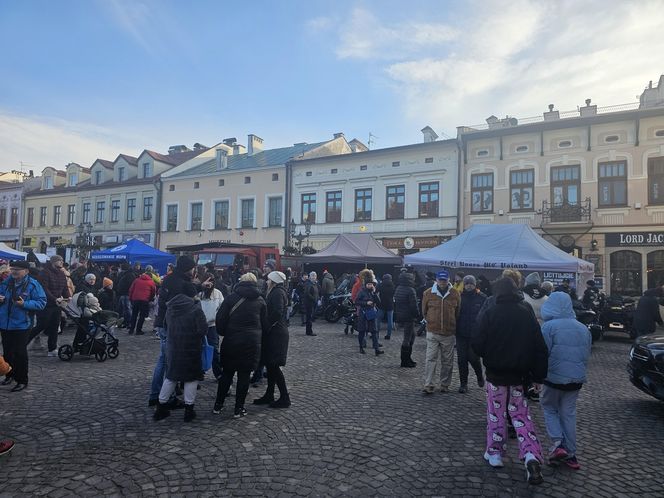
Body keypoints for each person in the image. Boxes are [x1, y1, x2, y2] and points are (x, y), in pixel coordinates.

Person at [472, 277, 548, 485]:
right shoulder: (526, 312)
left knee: (496, 414)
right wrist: (538, 376)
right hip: (519, 375)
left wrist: (488, 354)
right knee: (521, 415)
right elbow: (538, 345)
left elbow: (477, 342)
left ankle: (495, 453)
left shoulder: (490, 311)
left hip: (496, 374)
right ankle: (531, 455)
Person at [539, 292, 591, 471]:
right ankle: (571, 454)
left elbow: (542, 353)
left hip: (553, 378)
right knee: (568, 414)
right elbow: (586, 354)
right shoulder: (583, 328)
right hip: (576, 379)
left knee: (549, 408)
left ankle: (557, 444)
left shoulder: (548, 327)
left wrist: (537, 377)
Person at [213, 272, 268, 418]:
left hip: (232, 340)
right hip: (251, 342)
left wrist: (224, 332)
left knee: (227, 373)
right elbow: (265, 324)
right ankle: (239, 408)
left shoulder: (231, 298)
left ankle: (218, 405)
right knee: (244, 375)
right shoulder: (261, 300)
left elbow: (220, 319)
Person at [148, 255, 198, 408]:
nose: (194, 270)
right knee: (168, 361)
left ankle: (156, 395)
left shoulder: (171, 279)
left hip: (163, 322)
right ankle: (163, 397)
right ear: (187, 268)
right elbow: (180, 304)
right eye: (192, 268)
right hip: (170, 324)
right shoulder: (179, 282)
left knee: (164, 360)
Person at [153, 284, 207, 423]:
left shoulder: (170, 309)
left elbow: (165, 326)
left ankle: (161, 407)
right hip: (191, 348)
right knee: (191, 378)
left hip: (174, 347)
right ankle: (189, 410)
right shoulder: (195, 309)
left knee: (171, 377)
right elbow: (202, 330)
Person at [0, 261, 47, 392]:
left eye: (18, 269)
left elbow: (41, 302)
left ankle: (22, 380)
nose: (14, 271)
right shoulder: (5, 282)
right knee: (7, 351)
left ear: (26, 271)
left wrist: (25, 304)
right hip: (5, 323)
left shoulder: (32, 284)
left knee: (19, 352)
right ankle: (9, 375)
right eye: (13, 269)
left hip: (22, 324)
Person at [254, 271, 291, 408]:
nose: (267, 282)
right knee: (270, 365)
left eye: (269, 280)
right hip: (276, 331)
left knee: (274, 365)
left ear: (273, 281)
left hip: (276, 333)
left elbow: (277, 312)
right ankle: (270, 394)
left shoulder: (277, 292)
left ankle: (284, 397)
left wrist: (267, 325)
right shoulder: (278, 291)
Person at [421, 271, 460, 394]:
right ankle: (429, 384)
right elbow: (424, 310)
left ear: (449, 280)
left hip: (448, 332)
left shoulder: (455, 293)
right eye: (440, 280)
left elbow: (458, 311)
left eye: (445, 280)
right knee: (430, 358)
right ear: (436, 280)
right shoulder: (428, 293)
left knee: (447, 361)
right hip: (433, 331)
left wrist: (452, 323)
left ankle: (444, 384)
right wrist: (430, 321)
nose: (442, 282)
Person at [28, 255, 70, 356]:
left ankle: (52, 348)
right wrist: (54, 299)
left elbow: (64, 287)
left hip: (57, 304)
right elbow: (44, 289)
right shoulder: (45, 272)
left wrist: (68, 296)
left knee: (55, 326)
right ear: (53, 262)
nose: (61, 262)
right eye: (59, 261)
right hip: (45, 304)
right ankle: (23, 342)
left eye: (62, 260)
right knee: (42, 325)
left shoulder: (61, 274)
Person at [456, 275, 486, 393]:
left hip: (475, 334)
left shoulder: (482, 297)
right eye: (467, 283)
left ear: (475, 285)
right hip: (461, 333)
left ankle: (479, 375)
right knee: (462, 359)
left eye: (471, 284)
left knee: (473, 358)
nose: (469, 286)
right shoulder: (459, 297)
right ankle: (463, 383)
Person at [198, 276, 224, 380]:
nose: (209, 285)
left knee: (214, 350)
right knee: (198, 350)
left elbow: (222, 307)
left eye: (211, 282)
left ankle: (218, 373)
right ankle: (199, 372)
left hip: (213, 326)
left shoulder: (218, 293)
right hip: (200, 326)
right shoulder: (199, 293)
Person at [393, 270, 420, 368]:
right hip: (409, 316)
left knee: (412, 336)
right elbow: (414, 305)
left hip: (400, 314)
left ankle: (408, 358)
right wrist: (417, 315)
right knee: (407, 338)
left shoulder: (398, 288)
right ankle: (404, 361)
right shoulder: (410, 290)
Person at [355, 278, 384, 356]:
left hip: (371, 312)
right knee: (362, 330)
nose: (370, 285)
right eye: (369, 284)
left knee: (374, 331)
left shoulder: (373, 292)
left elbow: (379, 302)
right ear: (366, 285)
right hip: (363, 313)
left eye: (371, 284)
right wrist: (366, 303)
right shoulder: (361, 292)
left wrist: (374, 293)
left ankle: (376, 349)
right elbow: (356, 301)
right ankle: (361, 347)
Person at [116, 263, 138, 328]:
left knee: (127, 309)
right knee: (124, 309)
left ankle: (129, 323)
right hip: (124, 294)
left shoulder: (129, 275)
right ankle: (126, 322)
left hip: (126, 294)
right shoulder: (128, 274)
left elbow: (130, 285)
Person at [376, 274, 395, 340]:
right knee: (390, 321)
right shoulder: (393, 285)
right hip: (390, 304)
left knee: (378, 320)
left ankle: (376, 334)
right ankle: (388, 335)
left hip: (382, 304)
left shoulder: (380, 285)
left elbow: (375, 292)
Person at [303, 271, 319, 337]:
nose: (314, 277)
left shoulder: (313, 283)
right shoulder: (308, 283)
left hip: (312, 302)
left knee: (310, 317)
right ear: (310, 277)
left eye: (315, 276)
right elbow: (307, 293)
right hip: (309, 303)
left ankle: (309, 331)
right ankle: (309, 332)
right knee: (309, 317)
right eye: (313, 276)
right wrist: (313, 299)